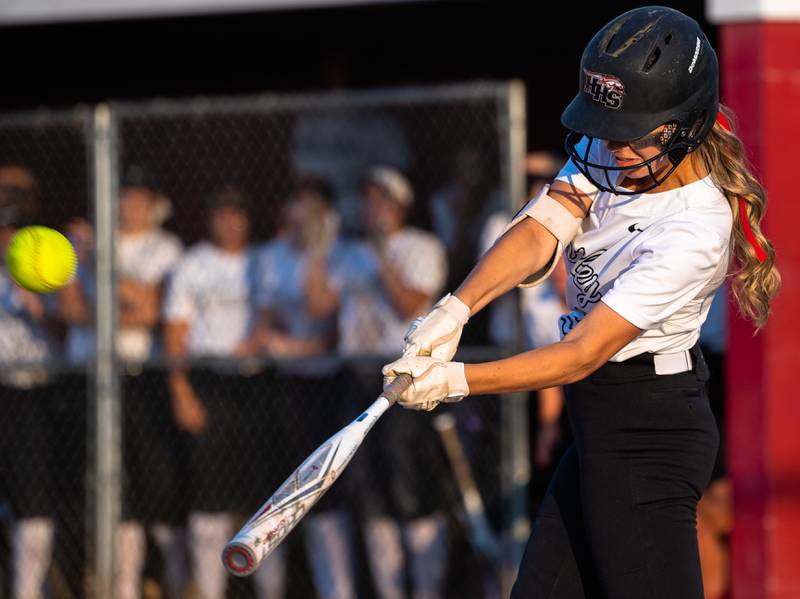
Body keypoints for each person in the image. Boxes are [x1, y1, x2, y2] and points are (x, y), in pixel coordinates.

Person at [382, 7, 781, 599]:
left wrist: (455, 381)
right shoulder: (616, 148)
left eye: (628, 136)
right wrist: (454, 310)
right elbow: (544, 226)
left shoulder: (694, 229)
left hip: (650, 431)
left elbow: (581, 352)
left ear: (682, 127)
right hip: (597, 423)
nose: (610, 147)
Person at [306, 166, 450, 599]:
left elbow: (409, 301)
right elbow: (319, 306)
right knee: (368, 491)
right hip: (356, 375)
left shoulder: (422, 247)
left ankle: (426, 589)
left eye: (382, 200)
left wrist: (382, 253)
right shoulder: (349, 252)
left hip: (406, 374)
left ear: (401, 204)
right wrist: (317, 252)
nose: (373, 209)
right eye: (368, 200)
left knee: (409, 485)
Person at [59, 166, 186, 599]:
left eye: (138, 197)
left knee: (152, 480)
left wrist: (102, 264)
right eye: (122, 196)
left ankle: (168, 573)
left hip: (139, 380)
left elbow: (155, 310)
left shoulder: (163, 248)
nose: (128, 205)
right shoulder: (85, 242)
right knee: (98, 483)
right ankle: (119, 585)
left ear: (152, 205)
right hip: (91, 379)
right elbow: (72, 311)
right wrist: (119, 311)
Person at [245, 176, 357, 599]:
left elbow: (321, 314)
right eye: (298, 207)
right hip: (282, 387)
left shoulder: (343, 255)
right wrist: (271, 341)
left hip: (327, 386)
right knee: (276, 489)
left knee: (323, 493)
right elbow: (266, 316)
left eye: (313, 211)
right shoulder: (273, 256)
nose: (302, 218)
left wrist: (315, 253)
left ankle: (337, 590)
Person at [162, 187, 258, 599]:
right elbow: (175, 332)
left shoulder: (263, 261)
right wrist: (181, 391)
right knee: (208, 495)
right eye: (221, 213)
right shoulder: (193, 264)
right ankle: (210, 590)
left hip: (257, 385)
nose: (229, 222)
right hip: (207, 381)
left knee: (263, 492)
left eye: (236, 213)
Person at [0, 165, 56, 599]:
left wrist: (38, 306)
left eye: (15, 232)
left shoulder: (50, 269)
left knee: (33, 502)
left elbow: (67, 329)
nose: (7, 240)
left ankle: (28, 591)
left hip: (32, 394)